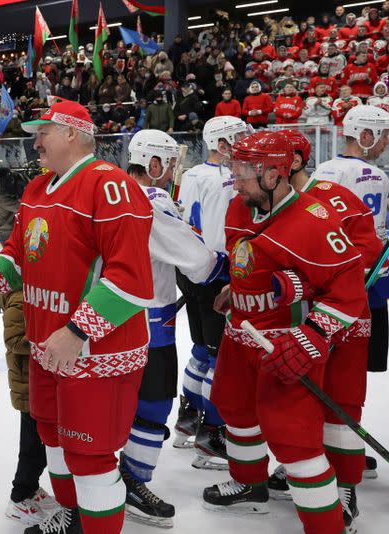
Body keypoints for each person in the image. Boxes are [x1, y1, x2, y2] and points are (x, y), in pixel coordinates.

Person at [0, 98, 155, 534]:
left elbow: (130, 279)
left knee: (90, 459)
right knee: (54, 441)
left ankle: (94, 522)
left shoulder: (110, 186)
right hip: (47, 348)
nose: (35, 142)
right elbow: (19, 252)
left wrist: (78, 330)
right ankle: (77, 518)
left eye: (43, 133)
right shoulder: (39, 188)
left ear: (72, 133)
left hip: (94, 352)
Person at [205, 130, 366, 534]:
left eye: (243, 170)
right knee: (236, 410)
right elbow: (249, 263)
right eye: (233, 167)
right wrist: (234, 289)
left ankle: (326, 526)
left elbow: (349, 291)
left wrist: (311, 336)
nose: (234, 178)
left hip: (285, 348)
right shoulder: (237, 208)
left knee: (295, 442)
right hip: (240, 337)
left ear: (276, 174)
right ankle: (250, 484)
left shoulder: (315, 220)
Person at [265, 129, 381, 531]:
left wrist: (304, 282)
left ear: (292, 163)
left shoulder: (334, 196)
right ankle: (307, 468)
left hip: (343, 317)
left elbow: (365, 253)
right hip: (298, 319)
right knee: (302, 401)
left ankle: (345, 484)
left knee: (341, 402)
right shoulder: (272, 202)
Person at [120, 130, 228, 529]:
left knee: (115, 404)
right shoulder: (154, 199)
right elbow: (196, 261)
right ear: (153, 163)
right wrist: (225, 266)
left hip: (106, 318)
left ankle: (99, 476)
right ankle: (132, 481)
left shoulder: (110, 191)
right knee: (152, 405)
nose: (171, 172)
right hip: (150, 324)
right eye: (167, 163)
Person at [311, 104, 389, 479]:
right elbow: (374, 241)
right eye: (384, 134)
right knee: (347, 379)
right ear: (365, 135)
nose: (387, 142)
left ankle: (333, 448)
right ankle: (334, 452)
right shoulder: (373, 175)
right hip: (357, 291)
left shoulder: (323, 170)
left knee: (330, 376)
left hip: (327, 287)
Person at [175, 116, 252, 469]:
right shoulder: (227, 180)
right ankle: (212, 432)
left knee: (201, 350)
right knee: (220, 356)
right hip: (217, 270)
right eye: (236, 139)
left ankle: (188, 418)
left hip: (190, 269)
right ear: (222, 144)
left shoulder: (192, 174)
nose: (243, 144)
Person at [0, 165, 58, 526]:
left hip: (38, 378)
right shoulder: (19, 296)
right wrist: (46, 344)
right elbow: (16, 340)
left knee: (42, 443)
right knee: (32, 446)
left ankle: (29, 489)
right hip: (28, 382)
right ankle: (21, 494)